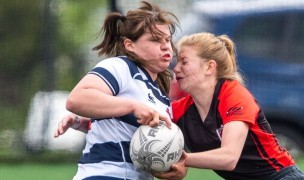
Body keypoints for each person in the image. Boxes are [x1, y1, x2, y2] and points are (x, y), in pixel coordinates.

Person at [56, 32, 304, 180]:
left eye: (184, 62)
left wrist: (181, 158)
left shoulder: (234, 95)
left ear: (209, 67)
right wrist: (85, 122)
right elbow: (141, 126)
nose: (175, 69)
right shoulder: (183, 109)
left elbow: (229, 158)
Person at [56, 1, 180, 179]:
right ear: (130, 45)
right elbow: (76, 99)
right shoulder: (121, 67)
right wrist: (132, 106)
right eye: (155, 39)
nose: (165, 45)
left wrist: (175, 168)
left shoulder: (160, 96)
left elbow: (122, 130)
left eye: (167, 39)